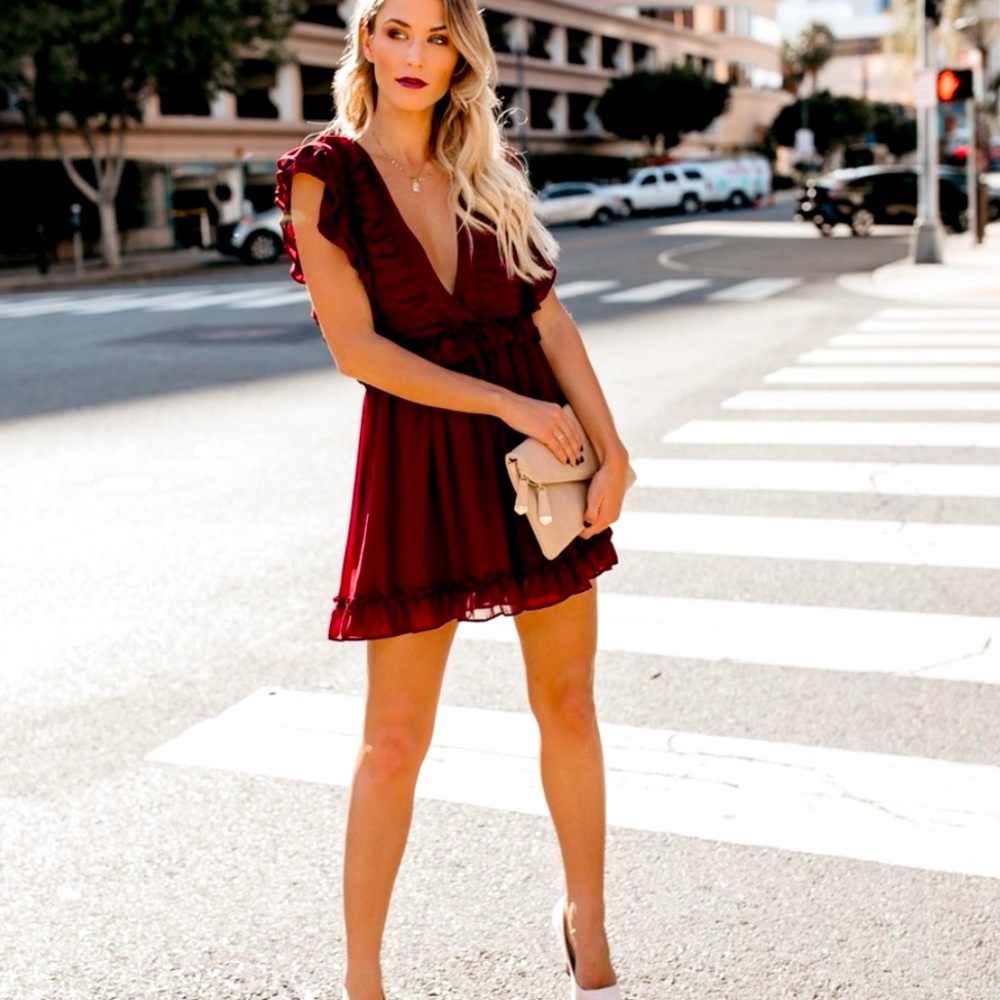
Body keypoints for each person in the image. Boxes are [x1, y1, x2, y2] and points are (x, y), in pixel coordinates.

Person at [274, 2, 631, 997]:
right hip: (420, 457)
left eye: (438, 37)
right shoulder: (326, 173)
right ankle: (361, 977)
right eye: (396, 30)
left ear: (461, 53)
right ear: (366, 41)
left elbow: (548, 320)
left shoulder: (487, 167)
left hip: (541, 464)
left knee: (567, 703)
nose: (416, 56)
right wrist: (504, 400)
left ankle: (585, 920)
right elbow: (357, 350)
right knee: (393, 740)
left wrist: (614, 450)